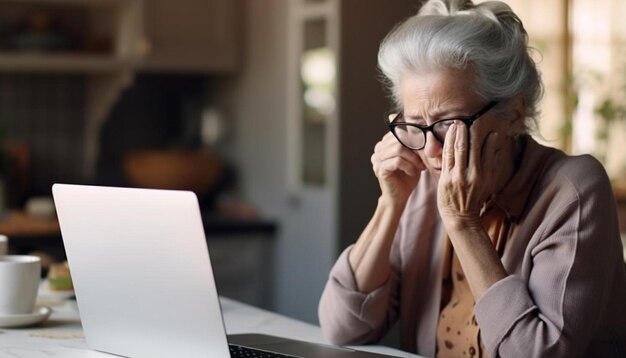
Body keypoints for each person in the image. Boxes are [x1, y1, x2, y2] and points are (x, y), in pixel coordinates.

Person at [318, 0, 626, 357]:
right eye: (414, 125)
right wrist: (391, 203)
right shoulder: (419, 185)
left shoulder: (572, 190)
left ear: (513, 113)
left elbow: (536, 353)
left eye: (449, 123)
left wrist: (463, 222)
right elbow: (344, 327)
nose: (431, 150)